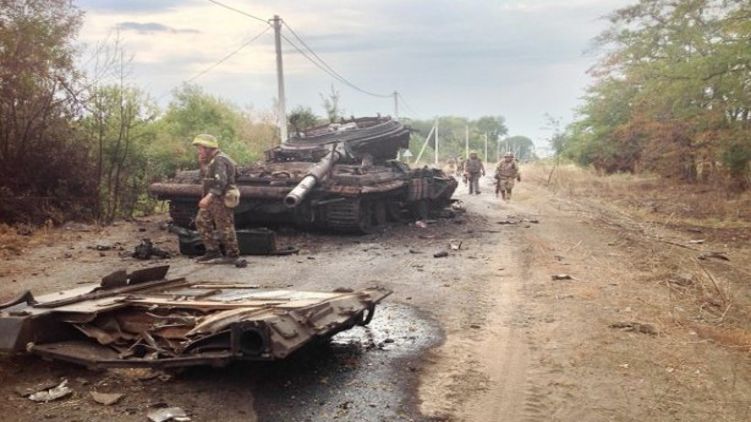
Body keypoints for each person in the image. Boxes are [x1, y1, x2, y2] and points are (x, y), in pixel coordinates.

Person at [191, 134, 241, 265]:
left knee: (224, 226)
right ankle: (212, 250)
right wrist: (202, 163)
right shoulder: (213, 160)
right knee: (201, 221)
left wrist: (208, 197)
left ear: (208, 148)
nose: (199, 151)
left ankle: (232, 254)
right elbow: (208, 178)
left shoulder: (220, 160)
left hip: (220, 198)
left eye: (200, 148)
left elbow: (221, 182)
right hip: (214, 198)